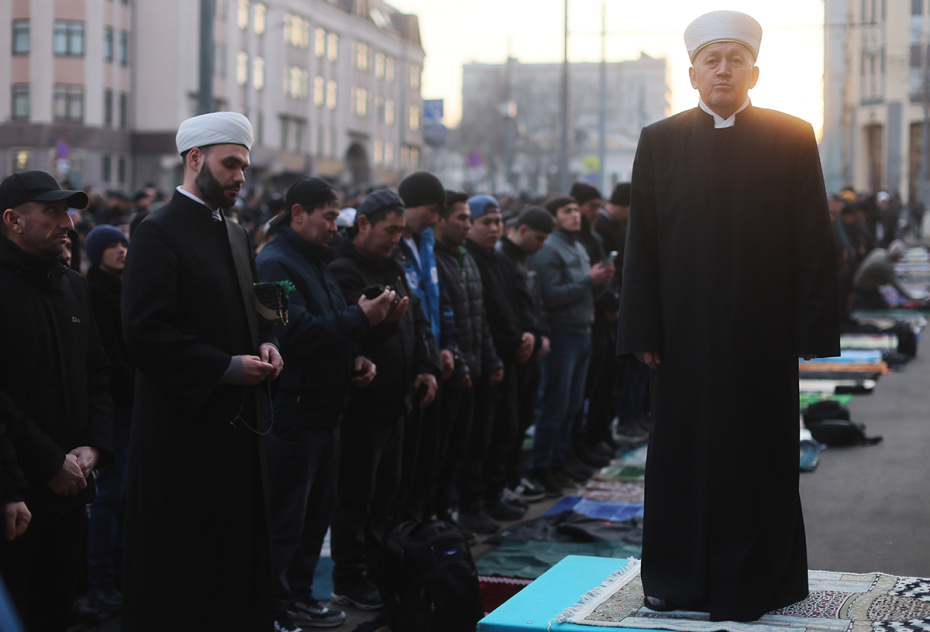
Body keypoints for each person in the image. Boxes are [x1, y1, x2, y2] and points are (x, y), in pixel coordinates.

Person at [617, 11, 839, 622]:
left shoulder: (793, 136)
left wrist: (810, 329)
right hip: (682, 338)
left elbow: (812, 239)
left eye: (734, 59)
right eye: (711, 60)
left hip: (760, 336)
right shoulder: (658, 141)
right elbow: (644, 244)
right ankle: (677, 580)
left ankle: (763, 582)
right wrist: (643, 330)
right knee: (683, 459)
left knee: (758, 457)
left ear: (755, 71)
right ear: (692, 74)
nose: (723, 69)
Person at [121, 111, 283, 631]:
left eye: (244, 165)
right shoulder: (157, 230)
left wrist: (269, 342)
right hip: (183, 440)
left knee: (237, 564)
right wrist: (224, 368)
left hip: (237, 435)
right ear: (195, 160)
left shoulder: (235, 232)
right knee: (188, 574)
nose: (241, 176)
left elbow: (259, 306)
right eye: (231, 163)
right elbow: (144, 332)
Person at [256, 177, 393, 631]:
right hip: (293, 414)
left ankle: (299, 596)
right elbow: (291, 335)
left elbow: (333, 329)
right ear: (298, 213)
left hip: (326, 411)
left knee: (315, 518)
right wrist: (360, 317)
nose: (336, 226)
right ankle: (272, 606)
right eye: (328, 217)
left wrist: (356, 358)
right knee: (286, 520)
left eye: (338, 217)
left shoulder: (318, 261)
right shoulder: (273, 262)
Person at [0, 170, 113, 632]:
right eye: (51, 211)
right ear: (12, 220)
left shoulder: (74, 286)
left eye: (67, 210)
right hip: (17, 499)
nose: (67, 222)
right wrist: (44, 467)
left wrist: (94, 448)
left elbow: (97, 375)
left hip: (72, 488)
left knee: (56, 611)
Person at [328, 189, 439, 610]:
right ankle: (349, 576)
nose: (395, 238)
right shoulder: (343, 271)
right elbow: (353, 335)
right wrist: (384, 326)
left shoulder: (395, 265)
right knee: (357, 494)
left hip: (400, 401)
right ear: (363, 225)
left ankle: (378, 567)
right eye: (389, 230)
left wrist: (427, 365)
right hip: (364, 405)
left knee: (388, 493)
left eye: (400, 231)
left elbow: (419, 320)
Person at [528, 196, 613, 491]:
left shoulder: (577, 246)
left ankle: (561, 461)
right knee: (556, 405)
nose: (576, 215)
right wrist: (590, 280)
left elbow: (585, 294)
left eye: (577, 210)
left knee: (574, 405)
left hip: (583, 330)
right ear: (554, 217)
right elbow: (551, 296)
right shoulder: (549, 249)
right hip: (563, 334)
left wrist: (600, 281)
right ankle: (542, 467)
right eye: (568, 211)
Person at [432, 190, 504, 527]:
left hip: (475, 370)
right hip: (451, 375)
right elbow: (448, 323)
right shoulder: (433, 259)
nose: (467, 224)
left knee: (472, 446)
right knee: (443, 454)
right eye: (461, 218)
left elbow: (478, 317)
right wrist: (460, 363)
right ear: (440, 220)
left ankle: (467, 508)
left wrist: (490, 360)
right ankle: (444, 514)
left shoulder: (464, 257)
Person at [394, 171, 457, 523]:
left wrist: (447, 346)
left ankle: (423, 525)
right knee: (406, 464)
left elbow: (440, 299)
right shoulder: (394, 246)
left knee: (430, 456)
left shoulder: (426, 241)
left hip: (434, 361)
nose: (435, 219)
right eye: (431, 210)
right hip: (411, 367)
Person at [84, 224, 133, 615]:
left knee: (126, 495)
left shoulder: (128, 290)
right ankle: (100, 580)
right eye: (112, 245)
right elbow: (110, 360)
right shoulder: (94, 294)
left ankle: (118, 575)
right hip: (114, 408)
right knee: (109, 496)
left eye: (123, 244)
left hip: (134, 406)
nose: (120, 250)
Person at [496, 206, 555, 498]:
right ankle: (504, 482)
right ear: (521, 230)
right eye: (539, 238)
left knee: (521, 421)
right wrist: (522, 337)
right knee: (508, 426)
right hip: (515, 351)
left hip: (530, 350)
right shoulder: (503, 259)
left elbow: (533, 303)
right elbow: (507, 309)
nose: (542, 246)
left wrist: (540, 333)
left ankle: (513, 479)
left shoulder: (524, 260)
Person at [852, 239, 916, 308]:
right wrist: (912, 299)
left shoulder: (879, 251)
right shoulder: (885, 265)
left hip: (861, 284)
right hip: (864, 289)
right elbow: (896, 284)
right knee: (882, 306)